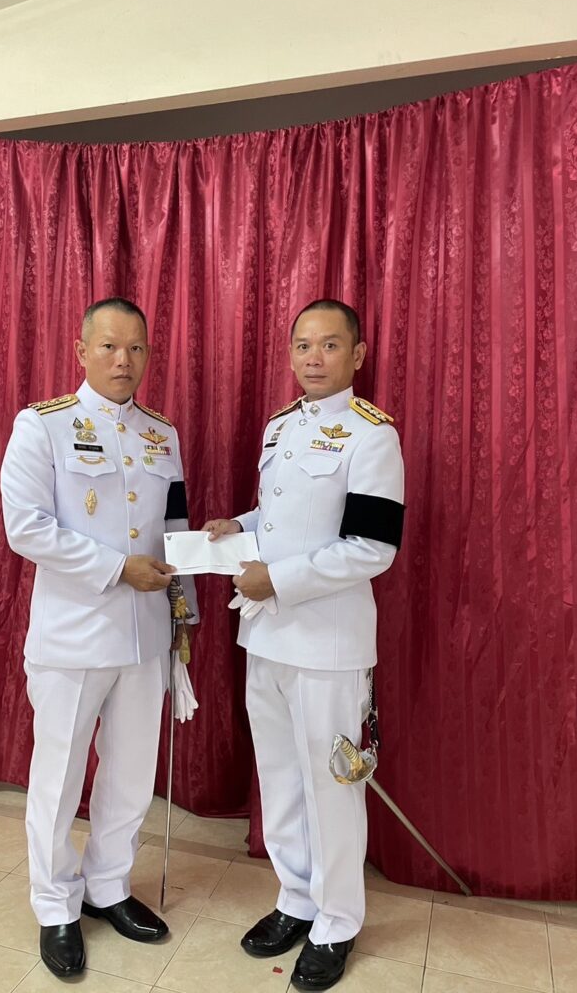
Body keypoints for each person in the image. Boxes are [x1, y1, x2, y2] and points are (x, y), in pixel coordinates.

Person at [203, 299, 404, 992]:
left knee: (332, 787)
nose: (313, 358)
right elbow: (281, 515)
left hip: (328, 643)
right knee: (281, 777)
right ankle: (296, 898)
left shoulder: (372, 435)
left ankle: (338, 920)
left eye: (329, 345)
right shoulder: (282, 426)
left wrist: (279, 580)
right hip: (266, 634)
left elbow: (372, 546)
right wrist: (240, 525)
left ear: (357, 353)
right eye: (302, 345)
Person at [0, 297, 197, 978]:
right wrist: (116, 568)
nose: (123, 360)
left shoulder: (161, 434)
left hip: (145, 636)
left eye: (136, 348)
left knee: (131, 773)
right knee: (58, 777)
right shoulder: (43, 425)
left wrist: (184, 613)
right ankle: (56, 904)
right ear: (82, 350)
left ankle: (107, 886)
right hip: (74, 635)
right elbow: (25, 527)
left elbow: (175, 529)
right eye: (110, 346)